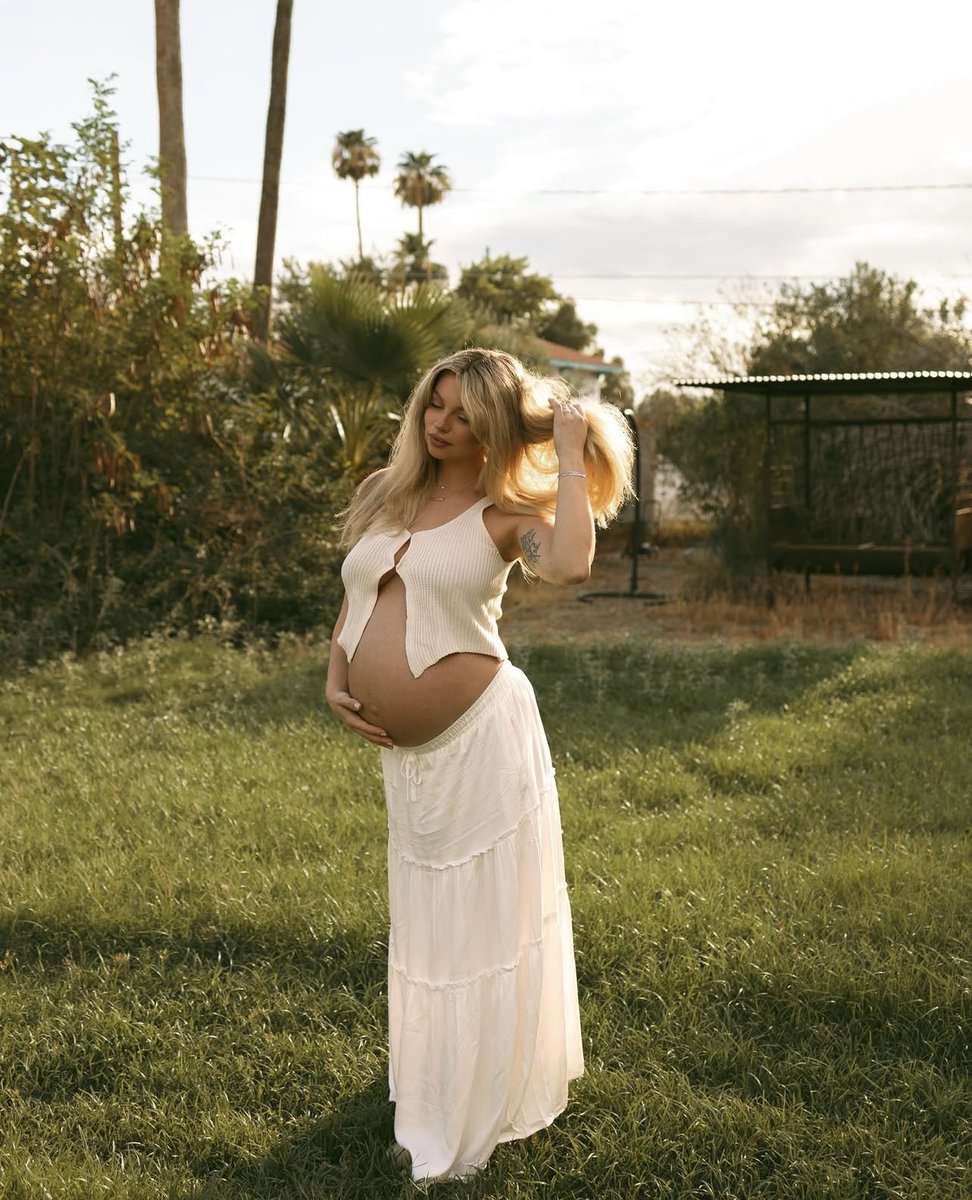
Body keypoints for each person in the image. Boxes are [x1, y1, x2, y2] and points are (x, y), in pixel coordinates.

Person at [325, 347, 633, 1181]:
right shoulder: (380, 496)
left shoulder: (505, 515)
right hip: (412, 761)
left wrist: (567, 459)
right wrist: (336, 676)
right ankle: (433, 1079)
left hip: (482, 741)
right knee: (430, 922)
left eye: (463, 413)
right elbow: (357, 595)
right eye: (435, 403)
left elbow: (568, 562)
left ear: (492, 426)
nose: (441, 422)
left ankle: (478, 1095)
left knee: (482, 923)